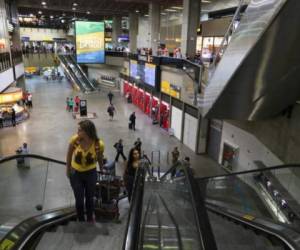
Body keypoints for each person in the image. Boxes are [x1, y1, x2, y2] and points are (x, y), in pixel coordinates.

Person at [66, 120, 104, 222]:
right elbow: (69, 155)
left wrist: (102, 168)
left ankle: (90, 218)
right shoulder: (75, 140)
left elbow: (100, 157)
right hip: (76, 174)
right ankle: (81, 219)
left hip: (91, 173)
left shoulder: (98, 144)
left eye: (80, 130)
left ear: (87, 131)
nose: (77, 131)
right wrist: (68, 170)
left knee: (90, 198)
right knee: (79, 200)